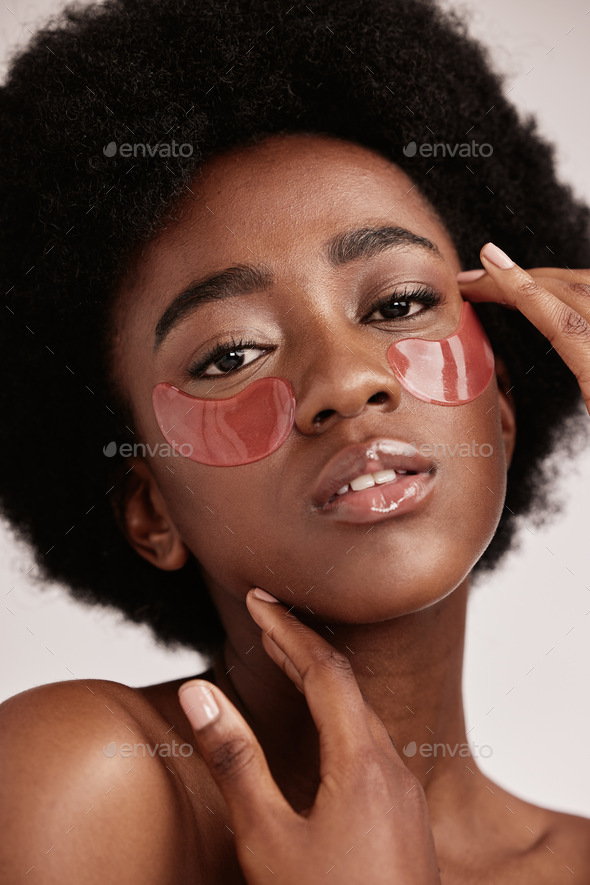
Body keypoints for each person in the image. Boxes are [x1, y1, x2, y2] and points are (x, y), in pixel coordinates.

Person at [0, 0, 589, 882]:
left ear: (502, 402)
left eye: (397, 305)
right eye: (230, 353)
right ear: (151, 505)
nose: (347, 382)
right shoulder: (89, 780)